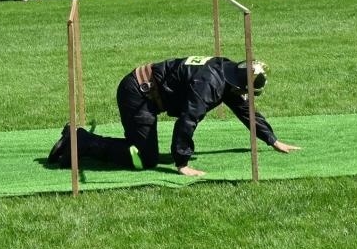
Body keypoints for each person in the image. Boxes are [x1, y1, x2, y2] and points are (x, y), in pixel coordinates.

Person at [49, 56, 298, 177]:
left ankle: (80, 140)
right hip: (138, 93)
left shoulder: (227, 74)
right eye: (247, 91)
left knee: (145, 154)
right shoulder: (210, 85)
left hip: (150, 94)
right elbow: (187, 120)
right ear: (240, 85)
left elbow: (246, 111)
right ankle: (79, 141)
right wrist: (182, 163)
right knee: (144, 159)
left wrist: (272, 140)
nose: (245, 95)